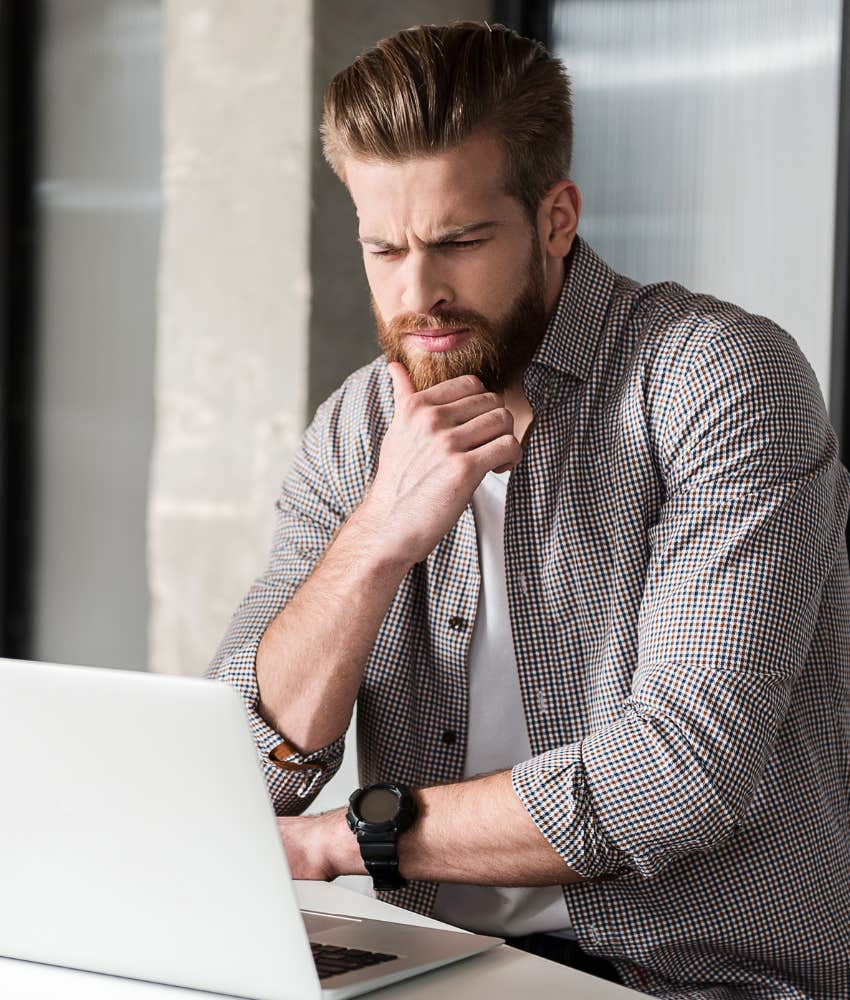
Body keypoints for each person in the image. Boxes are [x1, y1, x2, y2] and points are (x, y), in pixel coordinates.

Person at [208, 21, 850, 998]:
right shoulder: (355, 427)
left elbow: (680, 773)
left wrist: (349, 839)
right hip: (432, 967)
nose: (417, 293)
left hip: (690, 976)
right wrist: (378, 536)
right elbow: (240, 773)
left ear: (557, 218)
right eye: (382, 249)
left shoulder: (714, 378)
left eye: (458, 242)